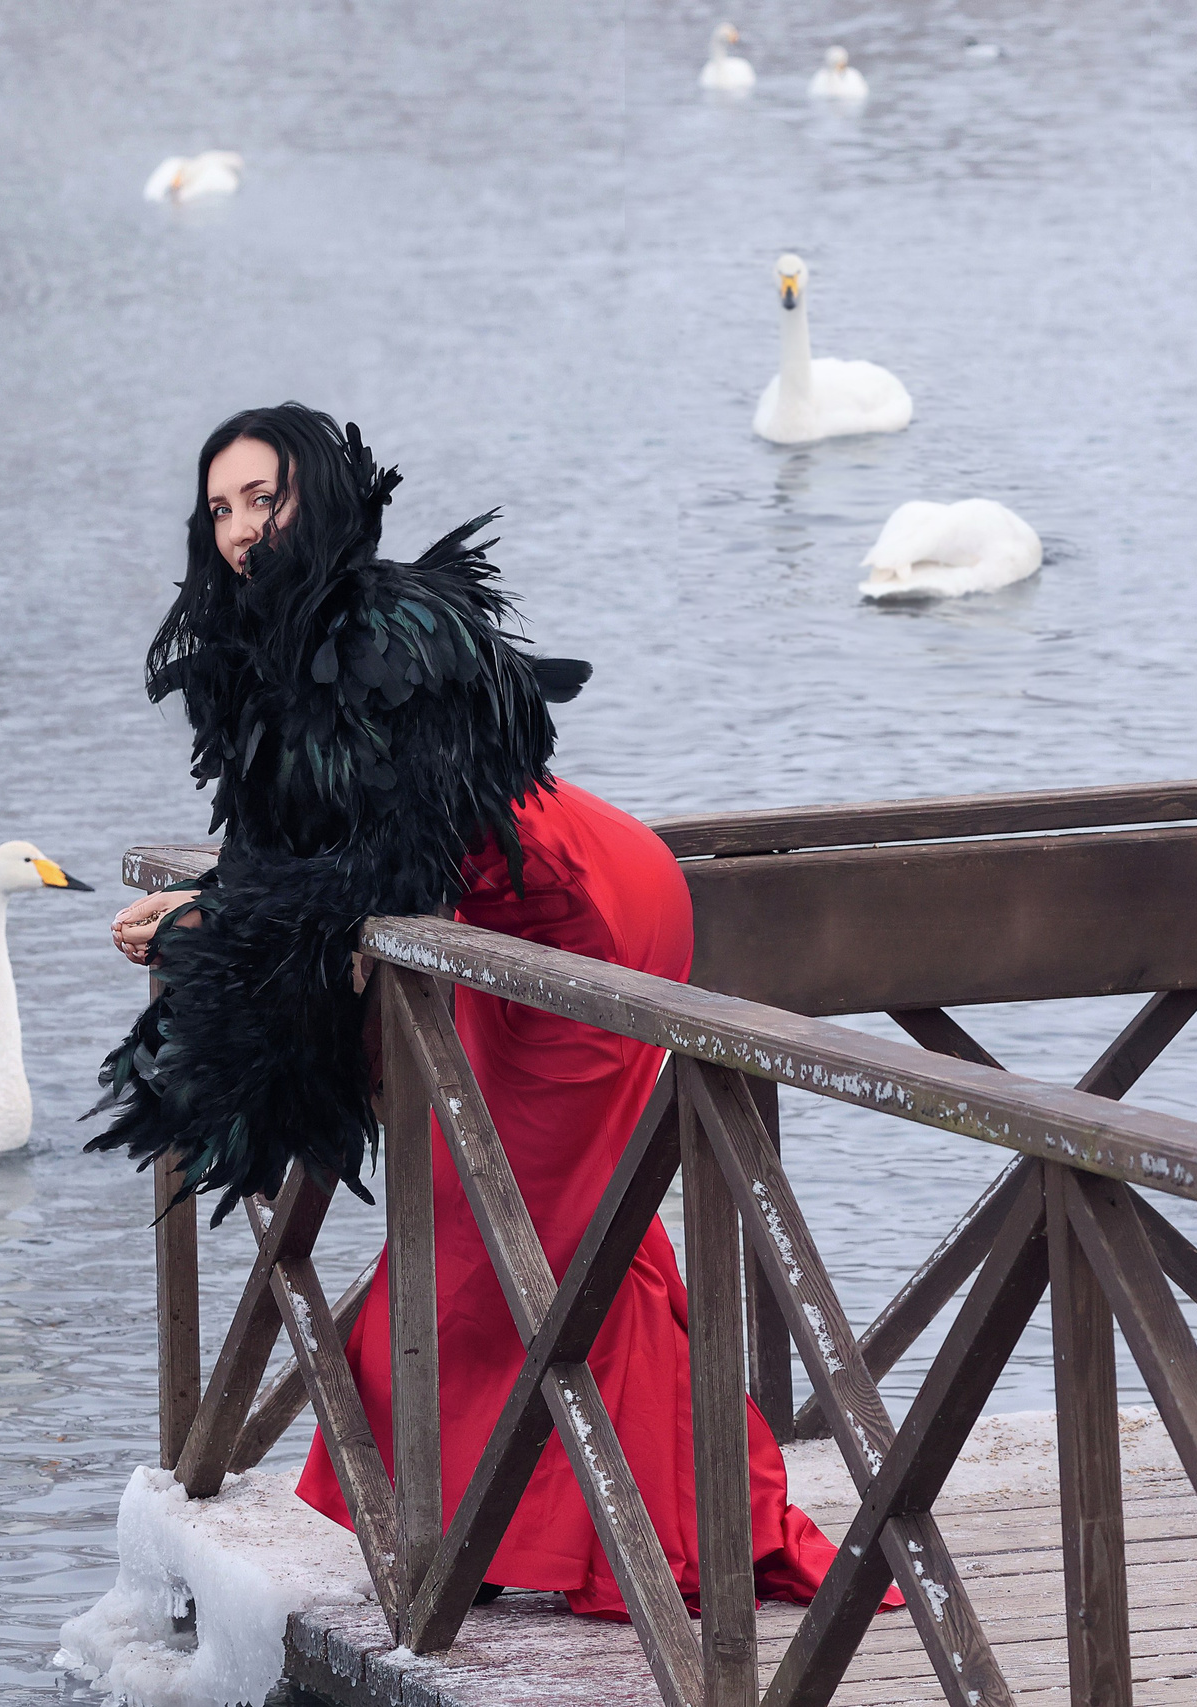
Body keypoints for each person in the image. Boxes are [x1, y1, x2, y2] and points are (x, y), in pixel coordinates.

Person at [92, 403, 861, 1621]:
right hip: (486, 924)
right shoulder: (268, 646)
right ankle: (596, 1519)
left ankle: (617, 1542)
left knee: (493, 1234)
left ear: (325, 501)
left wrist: (215, 927)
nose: (241, 530)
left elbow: (385, 869)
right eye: (222, 507)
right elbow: (308, 838)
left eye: (266, 499)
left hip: (579, 920)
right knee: (568, 1231)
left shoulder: (391, 631)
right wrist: (215, 896)